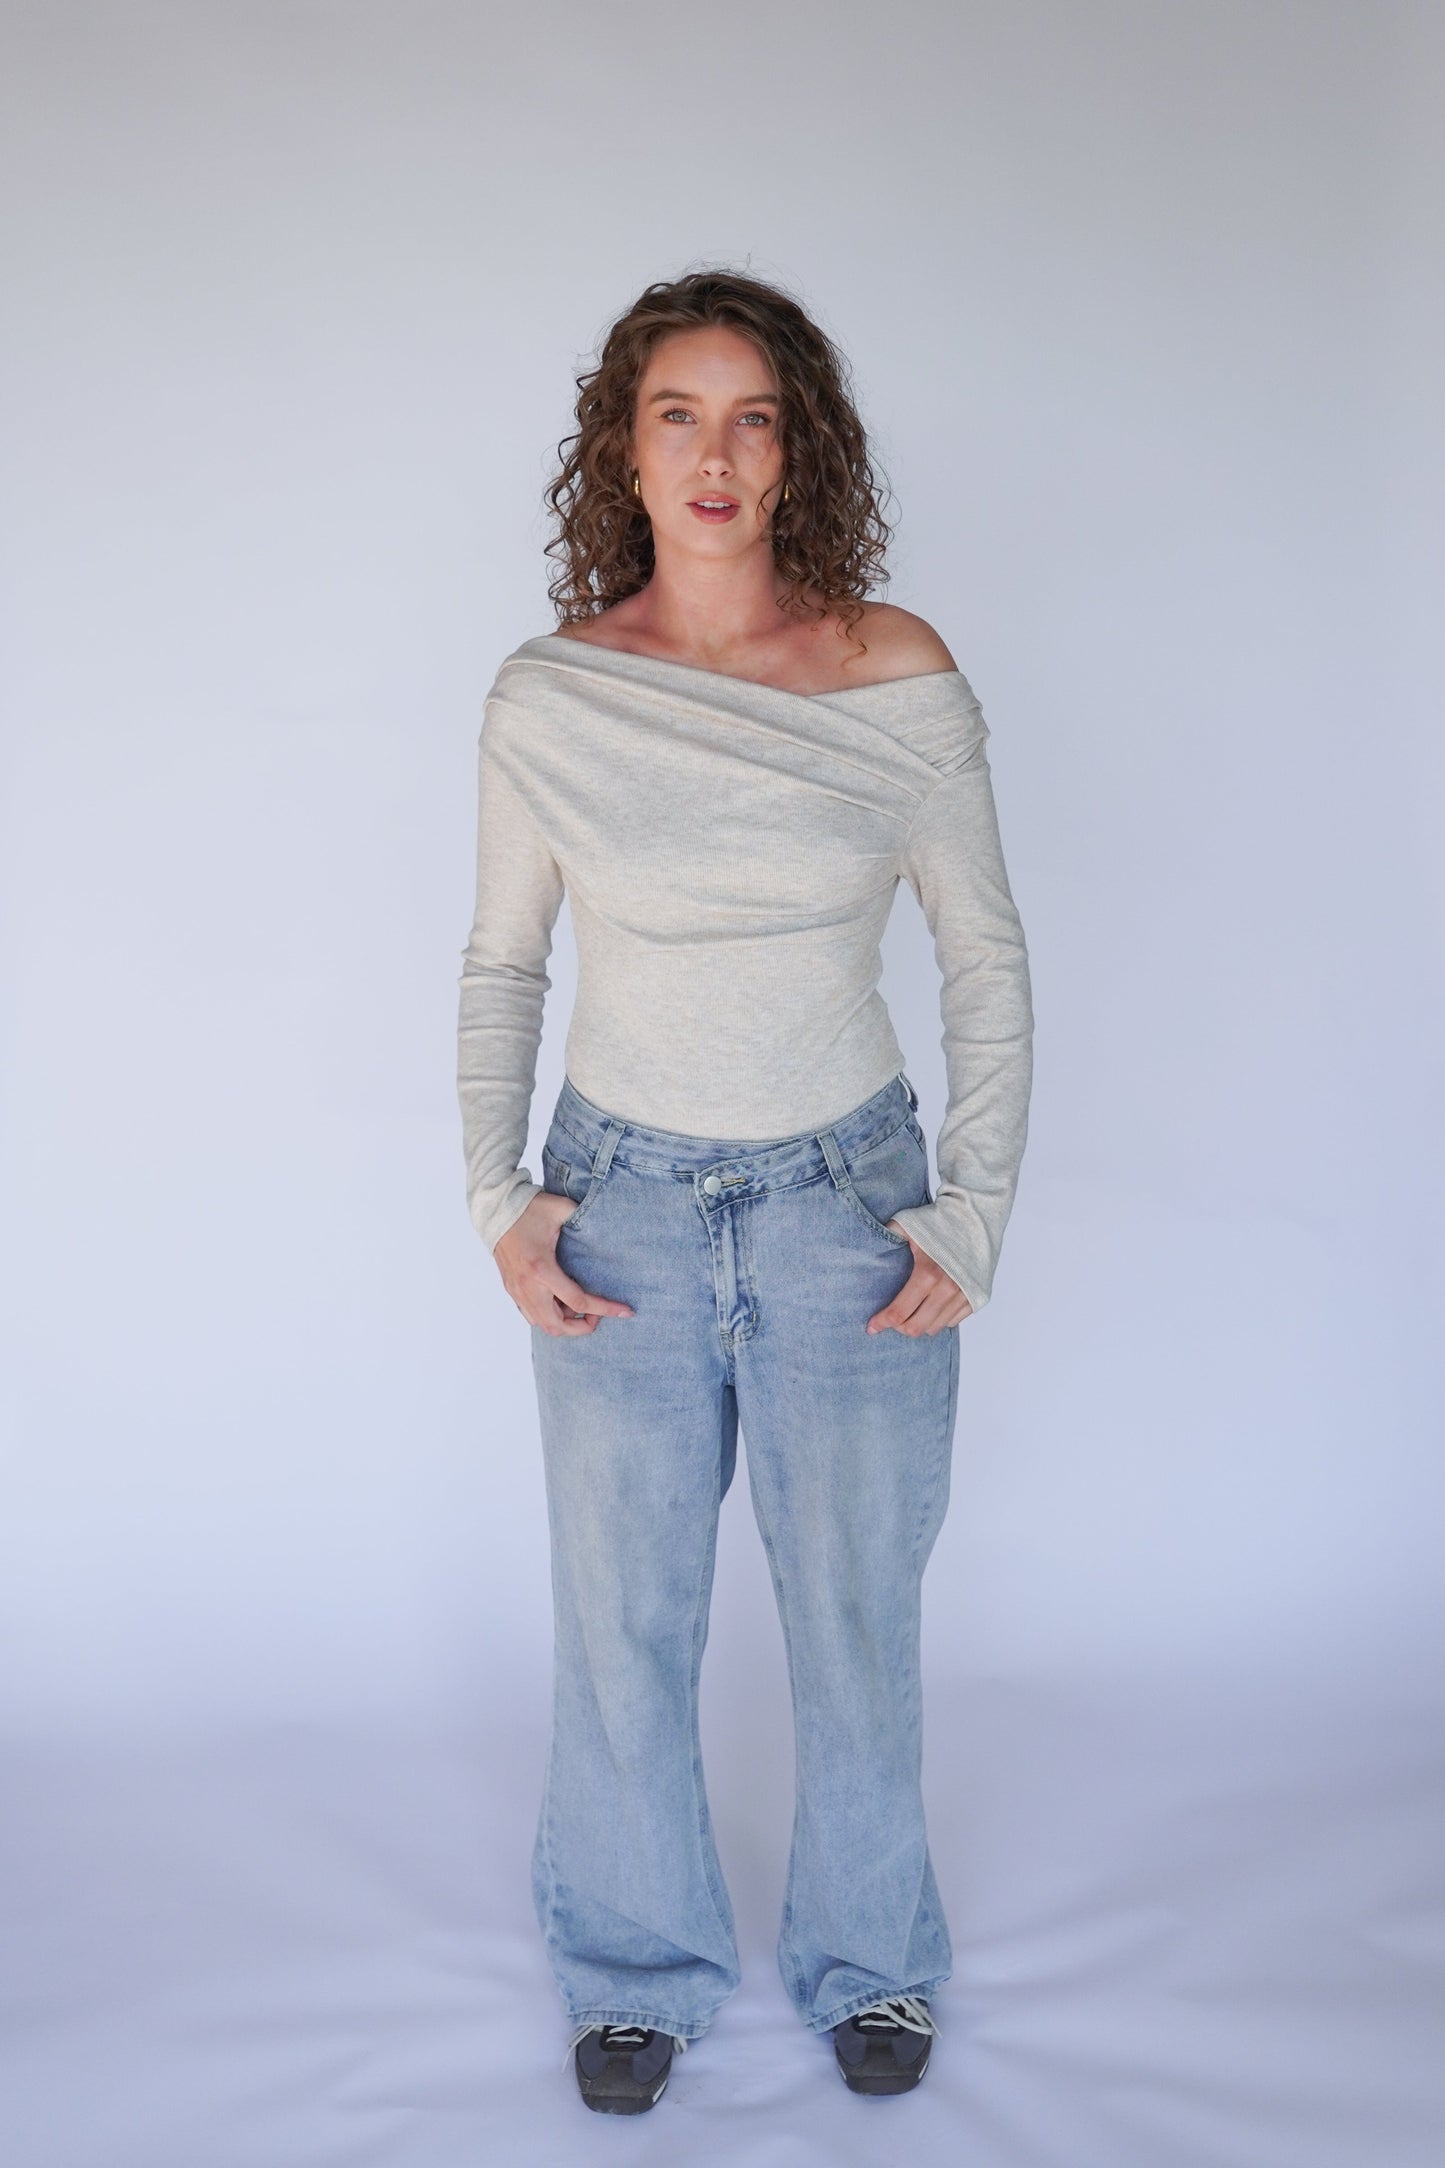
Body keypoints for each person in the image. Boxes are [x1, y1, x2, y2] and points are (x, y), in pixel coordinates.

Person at [456, 268, 1034, 2114]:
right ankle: (633, 1969)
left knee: (856, 1610)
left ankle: (873, 1960)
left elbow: (983, 956)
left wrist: (973, 1206)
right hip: (615, 1203)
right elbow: (503, 962)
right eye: (677, 416)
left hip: (845, 1206)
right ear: (623, 455)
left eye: (753, 417)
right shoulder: (552, 693)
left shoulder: (893, 669)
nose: (715, 455)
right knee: (621, 1617)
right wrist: (493, 1193)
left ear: (798, 454)